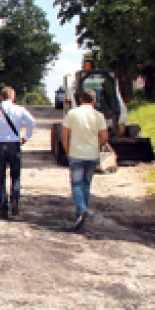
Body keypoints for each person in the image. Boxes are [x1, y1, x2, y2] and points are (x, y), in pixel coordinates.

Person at [60, 88, 109, 230]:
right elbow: (105, 137)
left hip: (76, 154)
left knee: (76, 185)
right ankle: (81, 214)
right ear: (95, 101)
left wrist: (68, 150)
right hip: (92, 155)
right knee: (86, 185)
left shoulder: (72, 113)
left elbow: (64, 135)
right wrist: (97, 147)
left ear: (81, 99)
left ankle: (81, 210)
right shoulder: (99, 116)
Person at [0, 87, 35, 219]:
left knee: (1, 178)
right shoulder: (20, 110)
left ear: (1, 97)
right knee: (16, 176)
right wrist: (25, 137)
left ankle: (3, 207)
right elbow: (31, 122)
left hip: (0, 145)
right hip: (15, 144)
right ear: (13, 97)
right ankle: (15, 200)